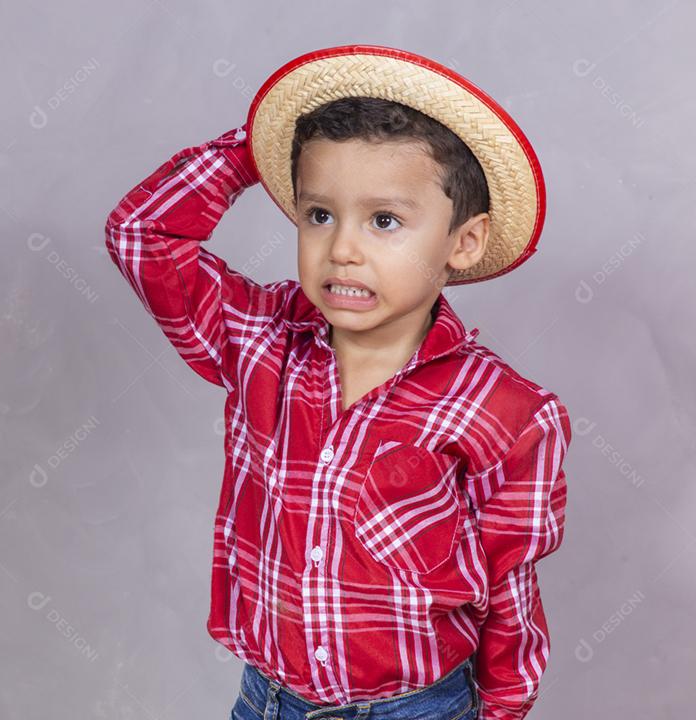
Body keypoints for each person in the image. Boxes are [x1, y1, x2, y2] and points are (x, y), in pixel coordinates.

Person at [103, 45, 571, 720]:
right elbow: (143, 234)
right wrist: (261, 145)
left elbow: (508, 589)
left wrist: (502, 710)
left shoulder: (508, 413)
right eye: (320, 214)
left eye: (384, 221)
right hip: (270, 702)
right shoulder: (258, 341)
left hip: (418, 708)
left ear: (462, 243)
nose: (342, 247)